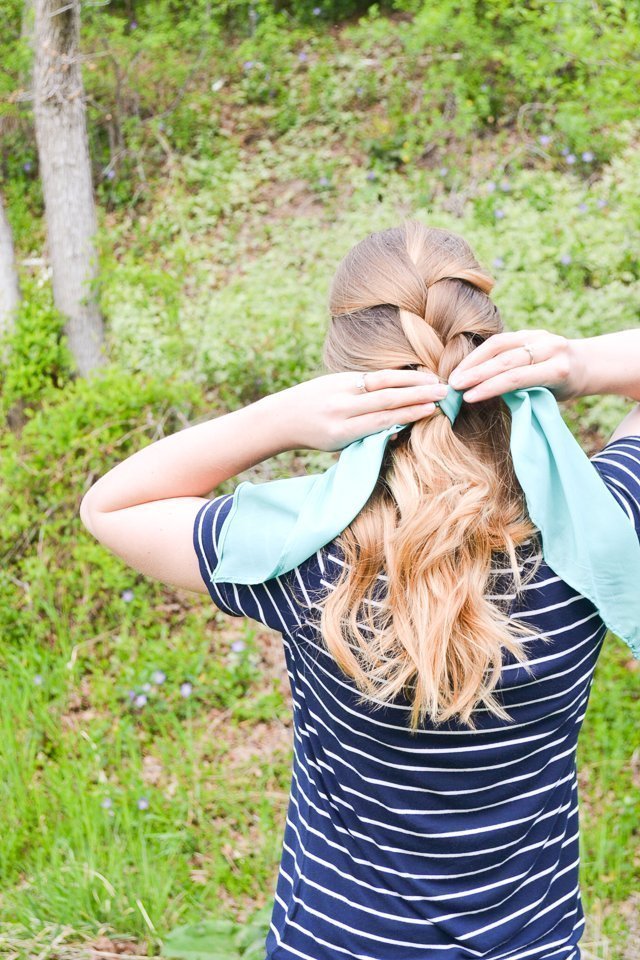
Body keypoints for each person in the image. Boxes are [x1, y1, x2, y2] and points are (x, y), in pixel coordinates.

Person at [80, 222, 640, 960]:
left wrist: (278, 419)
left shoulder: (299, 559)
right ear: (495, 354)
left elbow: (111, 507)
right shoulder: (593, 531)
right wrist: (580, 361)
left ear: (347, 380)